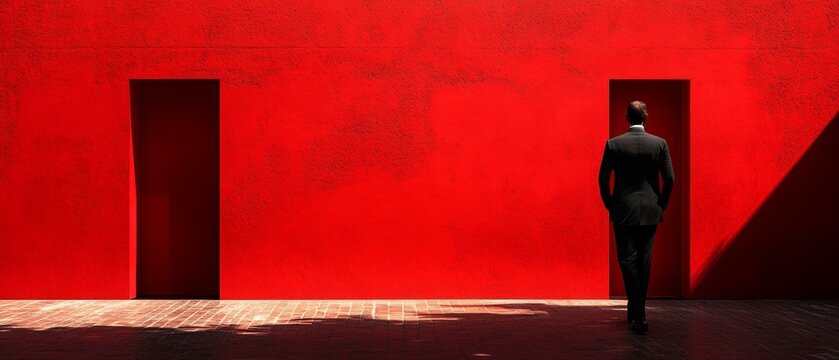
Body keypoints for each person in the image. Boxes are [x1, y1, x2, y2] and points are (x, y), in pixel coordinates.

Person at [598, 100, 674, 334]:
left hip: (623, 209)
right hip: (650, 210)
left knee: (627, 260)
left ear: (626, 117)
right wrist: (660, 204)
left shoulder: (614, 144)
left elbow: (603, 179)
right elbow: (670, 179)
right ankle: (637, 312)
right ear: (646, 117)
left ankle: (637, 314)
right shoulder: (659, 144)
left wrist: (611, 205)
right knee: (644, 261)